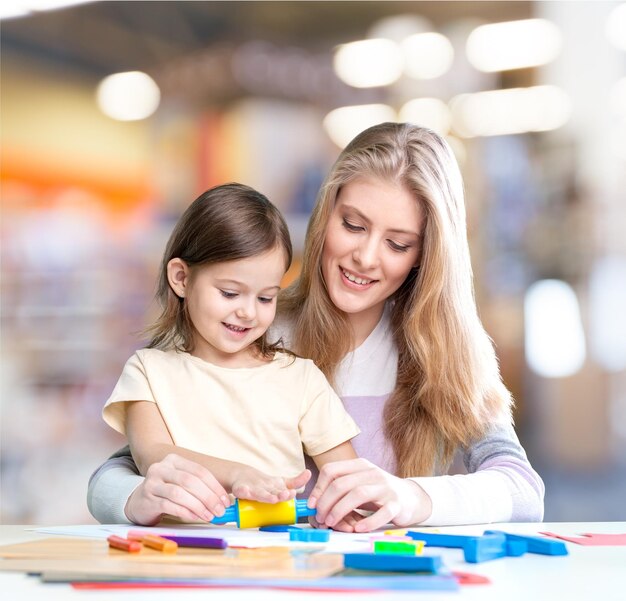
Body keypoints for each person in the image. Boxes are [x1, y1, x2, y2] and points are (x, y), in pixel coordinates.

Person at [88, 123, 544, 531]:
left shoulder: (452, 354)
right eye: (352, 224)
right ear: (324, 214)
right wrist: (135, 498)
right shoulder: (255, 329)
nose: (365, 257)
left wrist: (413, 497)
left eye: (398, 243)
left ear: (426, 256)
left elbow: (523, 490)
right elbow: (126, 467)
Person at [99, 183, 359, 525]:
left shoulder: (301, 378)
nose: (249, 312)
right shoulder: (148, 372)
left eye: (266, 298)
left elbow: (347, 479)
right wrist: (237, 475)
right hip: (180, 560)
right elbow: (154, 457)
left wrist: (344, 512)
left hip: (276, 561)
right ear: (180, 278)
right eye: (230, 293)